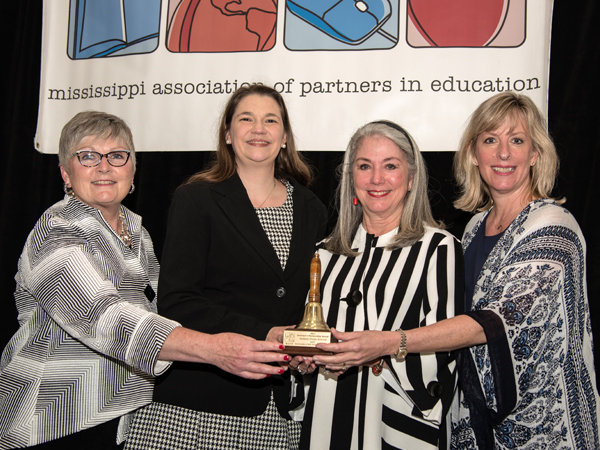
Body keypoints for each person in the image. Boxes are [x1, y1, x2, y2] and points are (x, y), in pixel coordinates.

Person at [315, 92, 600, 449]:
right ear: (473, 154)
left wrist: (388, 343)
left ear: (535, 154)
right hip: (476, 423)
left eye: (517, 141)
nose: (503, 153)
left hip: (543, 423)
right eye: (490, 140)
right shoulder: (474, 229)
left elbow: (499, 320)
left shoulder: (553, 226)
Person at [0, 111, 291, 450]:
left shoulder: (135, 231)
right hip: (54, 420)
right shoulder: (56, 231)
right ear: (66, 173)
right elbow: (104, 317)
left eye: (117, 156)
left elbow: (166, 310)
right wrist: (216, 349)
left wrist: (264, 335)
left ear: (133, 169)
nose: (105, 166)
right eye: (88, 156)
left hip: (121, 418)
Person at [124, 84, 328, 450]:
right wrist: (266, 334)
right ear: (228, 134)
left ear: (284, 137)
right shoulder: (197, 199)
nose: (258, 129)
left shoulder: (312, 208)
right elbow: (178, 301)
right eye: (245, 119)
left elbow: (302, 303)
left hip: (277, 411)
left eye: (270, 120)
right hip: (199, 408)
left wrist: (302, 351)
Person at [296, 121, 464, 449]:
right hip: (326, 421)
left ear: (411, 177)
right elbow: (310, 341)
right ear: (351, 178)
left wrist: (380, 352)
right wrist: (302, 361)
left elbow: (446, 348)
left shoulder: (438, 248)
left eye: (390, 166)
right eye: (364, 166)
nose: (376, 179)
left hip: (398, 423)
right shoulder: (325, 252)